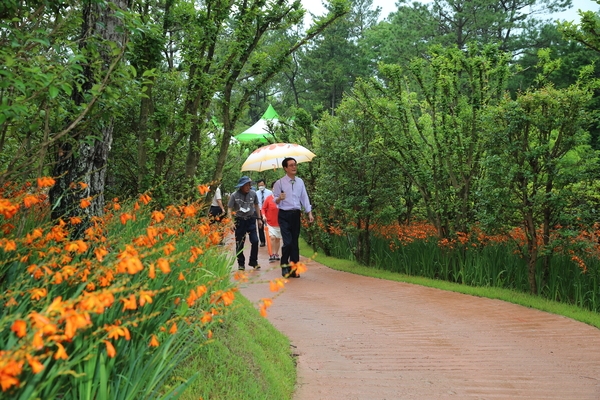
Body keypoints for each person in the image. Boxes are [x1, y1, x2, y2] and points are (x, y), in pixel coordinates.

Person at [273, 157, 314, 278]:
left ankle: (294, 268)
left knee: (294, 243)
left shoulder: (300, 182)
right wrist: (280, 198)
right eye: (290, 165)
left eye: (295, 164)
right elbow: (275, 201)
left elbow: (304, 198)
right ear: (285, 168)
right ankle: (284, 265)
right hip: (284, 214)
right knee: (288, 242)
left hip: (296, 214)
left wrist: (309, 212)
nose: (294, 167)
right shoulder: (279, 183)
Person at [228, 176, 263, 271]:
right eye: (246, 185)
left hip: (251, 219)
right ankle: (241, 263)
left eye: (249, 185)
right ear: (241, 186)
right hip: (240, 221)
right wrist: (230, 221)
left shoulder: (253, 193)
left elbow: (256, 205)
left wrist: (259, 219)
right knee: (239, 243)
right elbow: (229, 208)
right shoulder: (234, 195)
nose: (248, 187)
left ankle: (253, 261)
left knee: (255, 241)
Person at [261, 181, 280, 262]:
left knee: (278, 239)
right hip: (270, 222)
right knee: (272, 238)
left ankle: (276, 253)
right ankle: (271, 254)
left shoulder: (282, 199)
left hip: (279, 222)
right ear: (272, 188)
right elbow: (263, 209)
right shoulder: (268, 199)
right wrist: (264, 216)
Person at [256, 179, 272, 247]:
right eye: (259, 185)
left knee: (269, 226)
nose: (261, 186)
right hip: (259, 211)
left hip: (268, 211)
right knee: (260, 226)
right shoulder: (256, 193)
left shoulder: (270, 192)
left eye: (262, 185)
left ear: (265, 185)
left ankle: (270, 239)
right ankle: (262, 241)